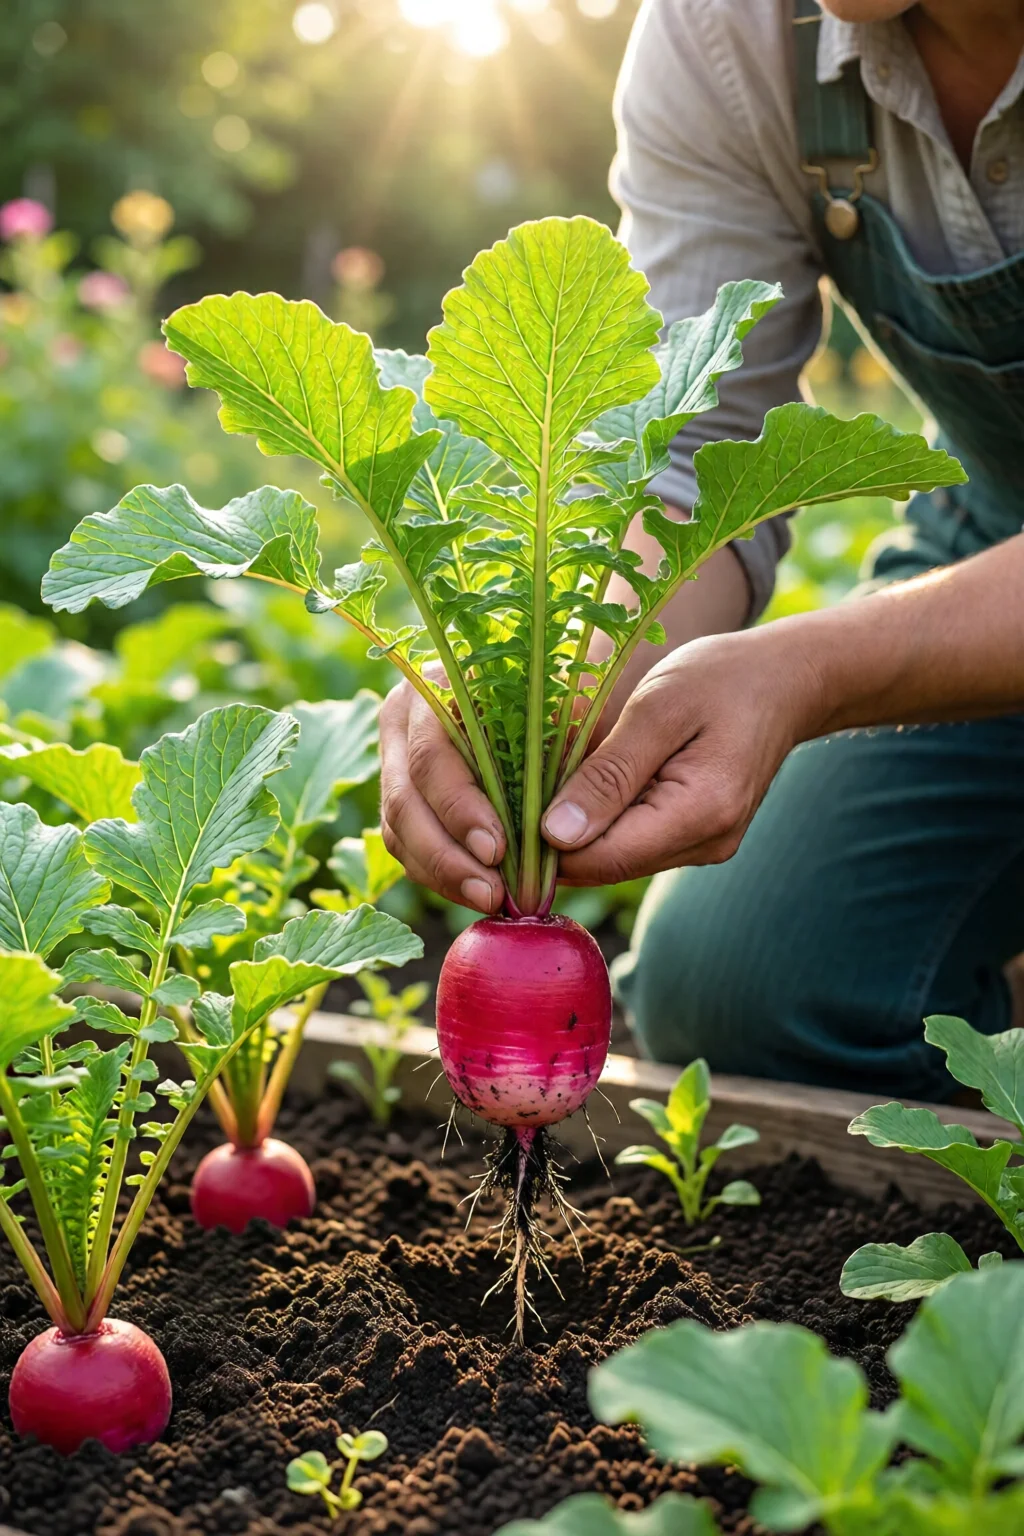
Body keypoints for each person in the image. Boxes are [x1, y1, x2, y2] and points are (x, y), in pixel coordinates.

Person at [380, 0, 1024, 1102]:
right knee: (742, 983)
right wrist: (563, 669)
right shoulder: (733, 30)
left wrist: (813, 669)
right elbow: (686, 459)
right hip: (993, 537)